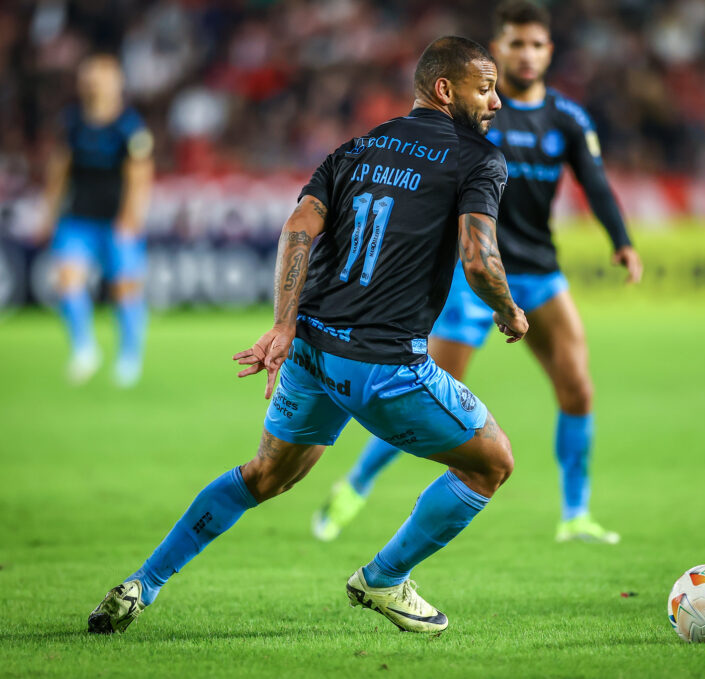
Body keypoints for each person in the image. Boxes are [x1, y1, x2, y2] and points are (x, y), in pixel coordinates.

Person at [87, 36, 527, 636]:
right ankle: (384, 578)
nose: (497, 101)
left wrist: (283, 324)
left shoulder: (355, 149)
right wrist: (509, 310)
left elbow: (298, 227)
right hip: (383, 365)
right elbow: (479, 261)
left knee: (266, 475)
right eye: (486, 87)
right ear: (445, 89)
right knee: (491, 463)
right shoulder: (478, 158)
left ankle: (143, 583)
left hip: (313, 352)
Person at [313, 0, 642, 544]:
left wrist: (623, 241)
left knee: (578, 388)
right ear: (500, 47)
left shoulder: (567, 118)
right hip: (474, 273)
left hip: (538, 269)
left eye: (537, 45)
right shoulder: (476, 110)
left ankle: (576, 514)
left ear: (549, 51)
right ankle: (356, 485)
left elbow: (597, 183)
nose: (527, 54)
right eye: (516, 44)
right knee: (429, 394)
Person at [39, 54, 154, 387]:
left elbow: (140, 174)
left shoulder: (129, 125)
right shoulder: (72, 121)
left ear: (115, 83)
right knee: (67, 280)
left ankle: (129, 357)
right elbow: (58, 170)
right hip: (78, 217)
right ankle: (84, 349)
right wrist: (48, 213)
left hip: (116, 220)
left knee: (124, 289)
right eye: (88, 78)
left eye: (100, 78)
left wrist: (131, 217)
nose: (93, 84)